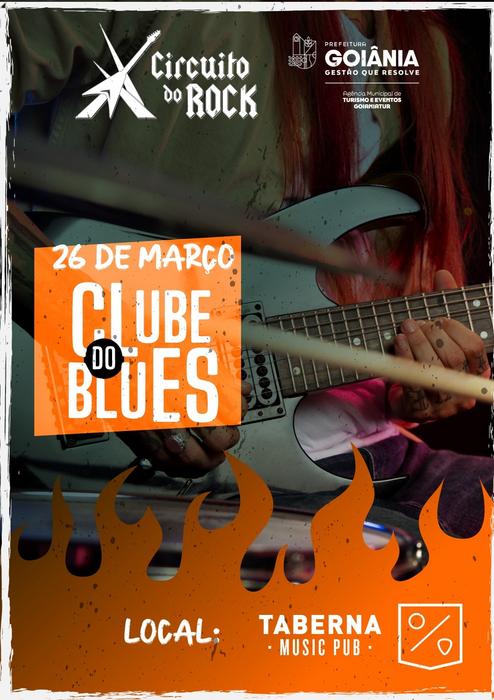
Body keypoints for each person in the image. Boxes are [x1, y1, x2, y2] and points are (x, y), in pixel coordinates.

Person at [7, 7, 493, 536]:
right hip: (165, 472)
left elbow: (361, 293)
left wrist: (415, 383)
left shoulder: (423, 54)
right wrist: (94, 336)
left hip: (359, 455)